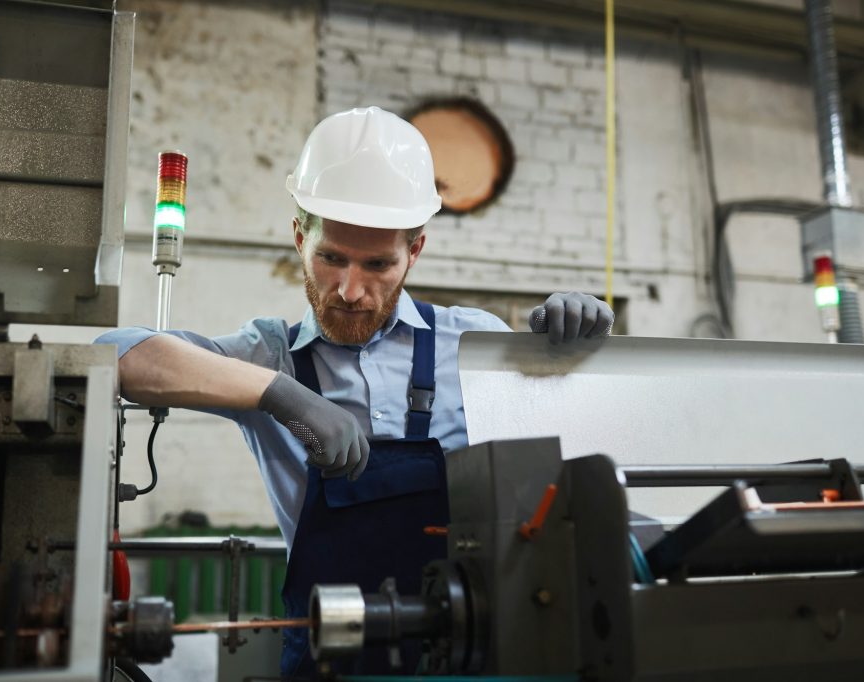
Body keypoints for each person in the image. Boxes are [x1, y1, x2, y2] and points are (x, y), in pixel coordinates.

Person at [95, 106, 613, 676]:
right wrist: (277, 393)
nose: (349, 289)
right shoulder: (268, 354)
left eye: (378, 264)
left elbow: (569, 470)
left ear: (414, 251)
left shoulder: (475, 343)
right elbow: (116, 354)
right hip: (328, 660)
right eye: (331, 258)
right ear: (299, 238)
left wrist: (575, 345)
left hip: (469, 655)